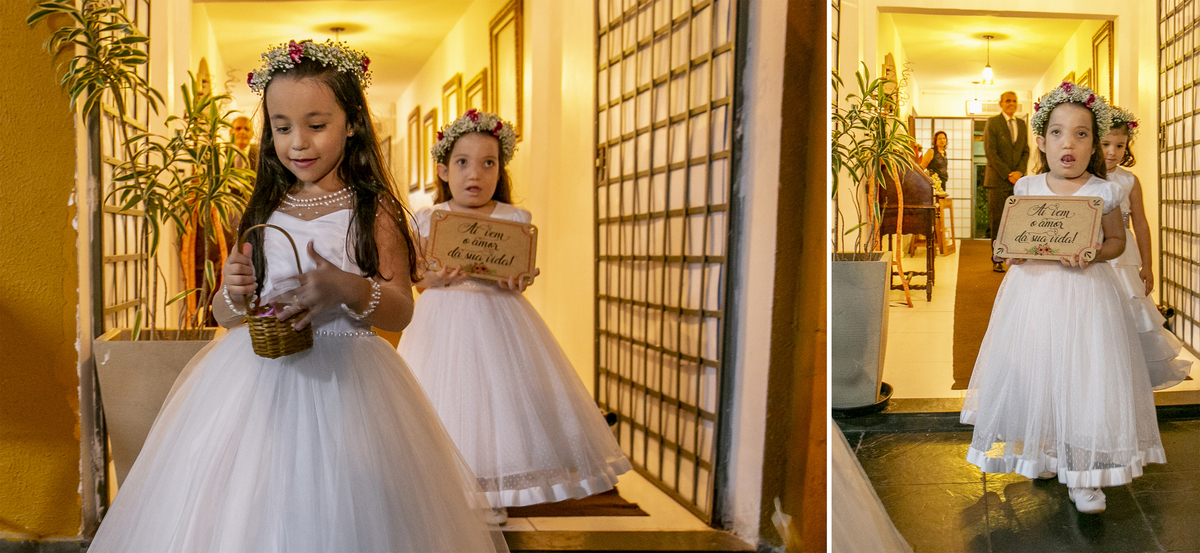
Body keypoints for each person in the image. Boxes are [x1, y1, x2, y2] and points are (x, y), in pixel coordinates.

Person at [89, 40, 509, 552]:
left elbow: (401, 310)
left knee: (338, 513)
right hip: (255, 384)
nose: (298, 144)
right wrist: (234, 293)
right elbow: (226, 316)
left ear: (351, 122)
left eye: (316, 125)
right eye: (283, 128)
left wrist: (349, 287)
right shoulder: (266, 204)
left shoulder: (371, 210)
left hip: (347, 386)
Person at [397, 109, 632, 524]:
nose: (476, 174)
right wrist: (437, 276)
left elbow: (517, 274)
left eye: (488, 163)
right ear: (443, 170)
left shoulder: (514, 219)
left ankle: (492, 490)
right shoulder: (428, 218)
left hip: (498, 318)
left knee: (497, 401)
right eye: (463, 163)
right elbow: (418, 279)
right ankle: (445, 488)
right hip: (442, 319)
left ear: (500, 169)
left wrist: (518, 280)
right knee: (444, 398)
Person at [961, 82, 1165, 515]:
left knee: (1086, 372)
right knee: (1042, 368)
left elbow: (1115, 241)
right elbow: (1010, 240)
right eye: (1057, 132)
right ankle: (1049, 452)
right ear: (1041, 139)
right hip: (1034, 295)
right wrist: (1012, 252)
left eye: (1081, 133)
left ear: (1094, 144)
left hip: (1087, 295)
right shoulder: (1029, 188)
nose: (1068, 143)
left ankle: (1086, 473)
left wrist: (1093, 252)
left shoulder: (1104, 190)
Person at [1102, 107, 1191, 389]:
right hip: (1097, 249)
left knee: (1130, 308)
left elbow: (1140, 223)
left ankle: (1128, 374)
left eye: (1120, 145)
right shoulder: (1084, 177)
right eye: (1105, 144)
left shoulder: (1129, 180)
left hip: (1124, 254)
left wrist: (1148, 265)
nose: (1113, 152)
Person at [984, 91, 1031, 272]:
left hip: (1017, 181)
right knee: (997, 220)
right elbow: (991, 152)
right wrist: (1008, 174)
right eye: (1008, 101)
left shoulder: (1021, 123)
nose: (1012, 104)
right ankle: (997, 257)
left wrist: (1019, 172)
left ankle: (1014, 254)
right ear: (1001, 103)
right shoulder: (993, 122)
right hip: (997, 180)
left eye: (1014, 101)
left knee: (1016, 220)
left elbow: (1025, 150)